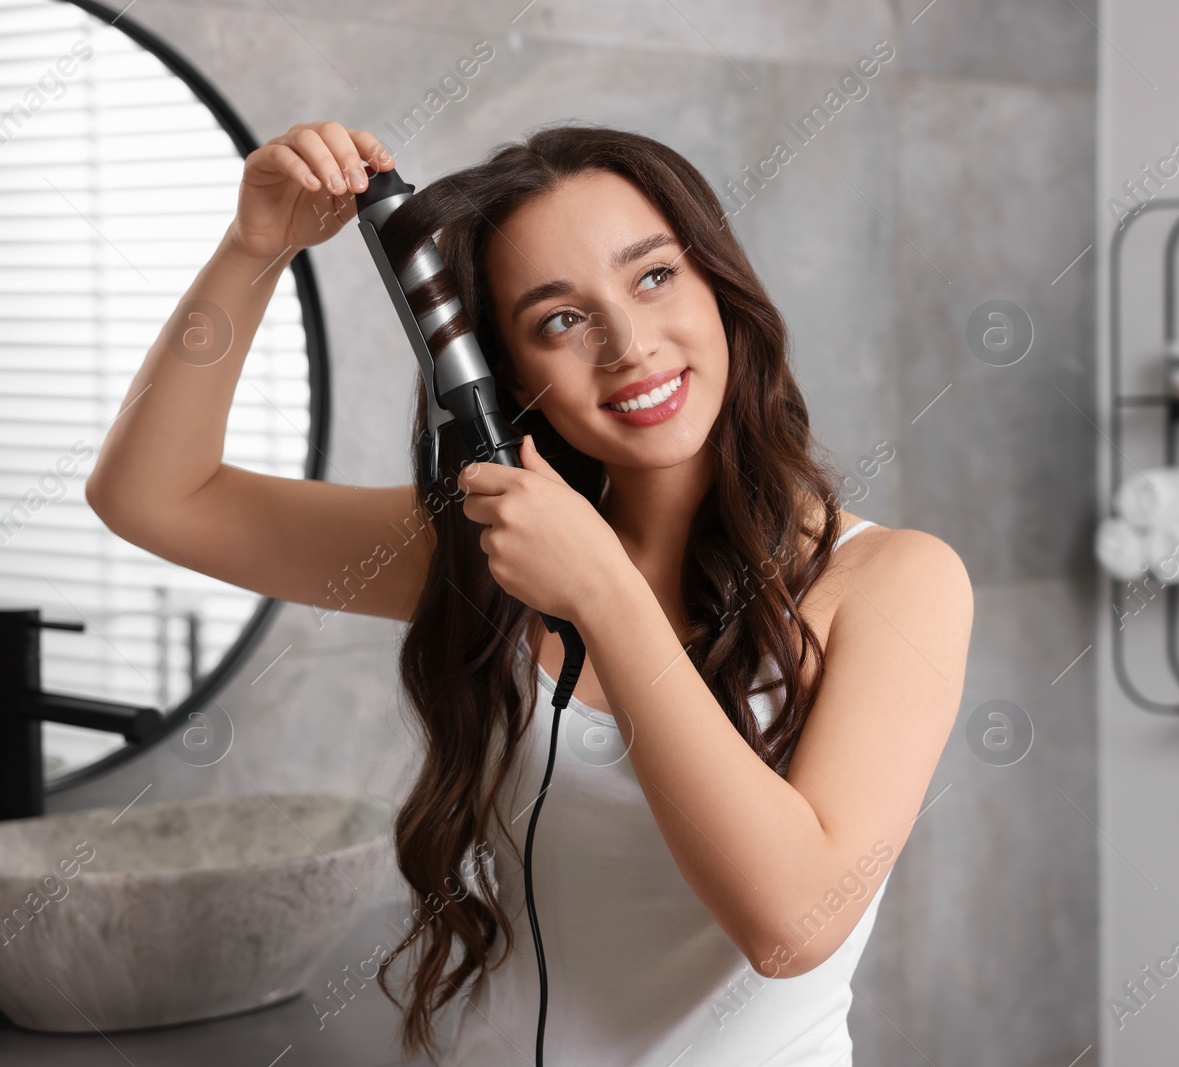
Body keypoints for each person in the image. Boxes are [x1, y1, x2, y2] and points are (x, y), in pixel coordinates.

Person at [86, 120, 973, 1066]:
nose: (629, 344)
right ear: (509, 379)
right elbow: (152, 495)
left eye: (654, 276)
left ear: (721, 285)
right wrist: (251, 252)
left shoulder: (890, 581)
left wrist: (605, 594)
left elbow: (794, 926)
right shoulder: (486, 552)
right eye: (561, 318)